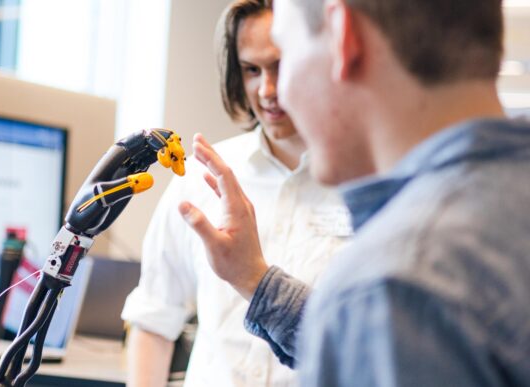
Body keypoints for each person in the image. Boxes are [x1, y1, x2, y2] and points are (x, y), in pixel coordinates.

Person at [179, 0, 530, 386]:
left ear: (343, 37)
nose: (276, 93)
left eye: (287, 54)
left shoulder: (399, 281)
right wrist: (254, 279)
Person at [120, 1, 351, 386]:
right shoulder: (201, 175)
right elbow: (153, 318)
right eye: (251, 70)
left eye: (282, 65)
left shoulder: (366, 184)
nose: (268, 90)